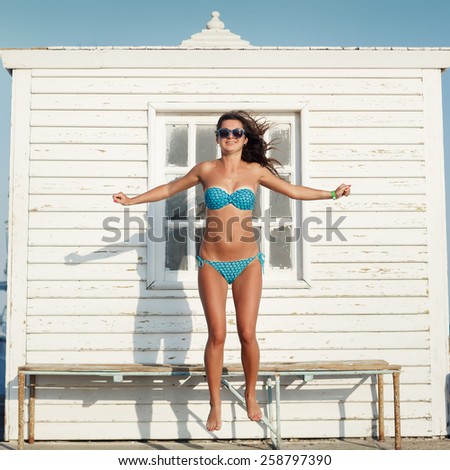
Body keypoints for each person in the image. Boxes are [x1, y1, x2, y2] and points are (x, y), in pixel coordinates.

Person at [113, 110, 351, 432]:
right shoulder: (205, 170)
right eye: (224, 132)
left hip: (247, 263)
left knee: (247, 333)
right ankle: (215, 404)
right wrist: (132, 201)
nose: (230, 137)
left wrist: (332, 194)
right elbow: (170, 189)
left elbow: (293, 191)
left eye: (236, 133)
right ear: (217, 137)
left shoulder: (255, 172)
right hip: (211, 262)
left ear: (245, 138)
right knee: (217, 334)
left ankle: (251, 395)